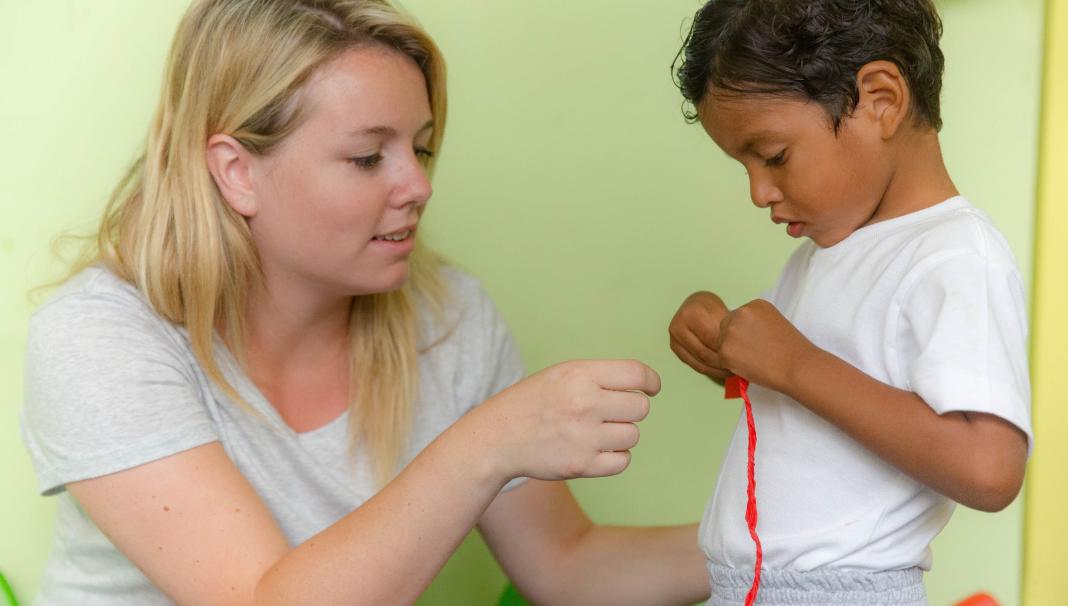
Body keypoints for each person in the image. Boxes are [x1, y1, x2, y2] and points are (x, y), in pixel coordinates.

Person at [19, 1, 710, 604]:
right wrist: (488, 443)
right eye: (367, 158)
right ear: (236, 173)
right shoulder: (100, 338)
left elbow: (568, 565)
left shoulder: (449, 317)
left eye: (422, 147)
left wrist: (793, 539)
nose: (418, 186)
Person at [667, 0, 1033, 604]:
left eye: (774, 156)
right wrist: (724, 341)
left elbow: (990, 467)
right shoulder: (826, 251)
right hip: (755, 586)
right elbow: (816, 395)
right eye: (745, 166)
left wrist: (792, 364)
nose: (759, 192)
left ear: (881, 99)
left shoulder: (956, 255)